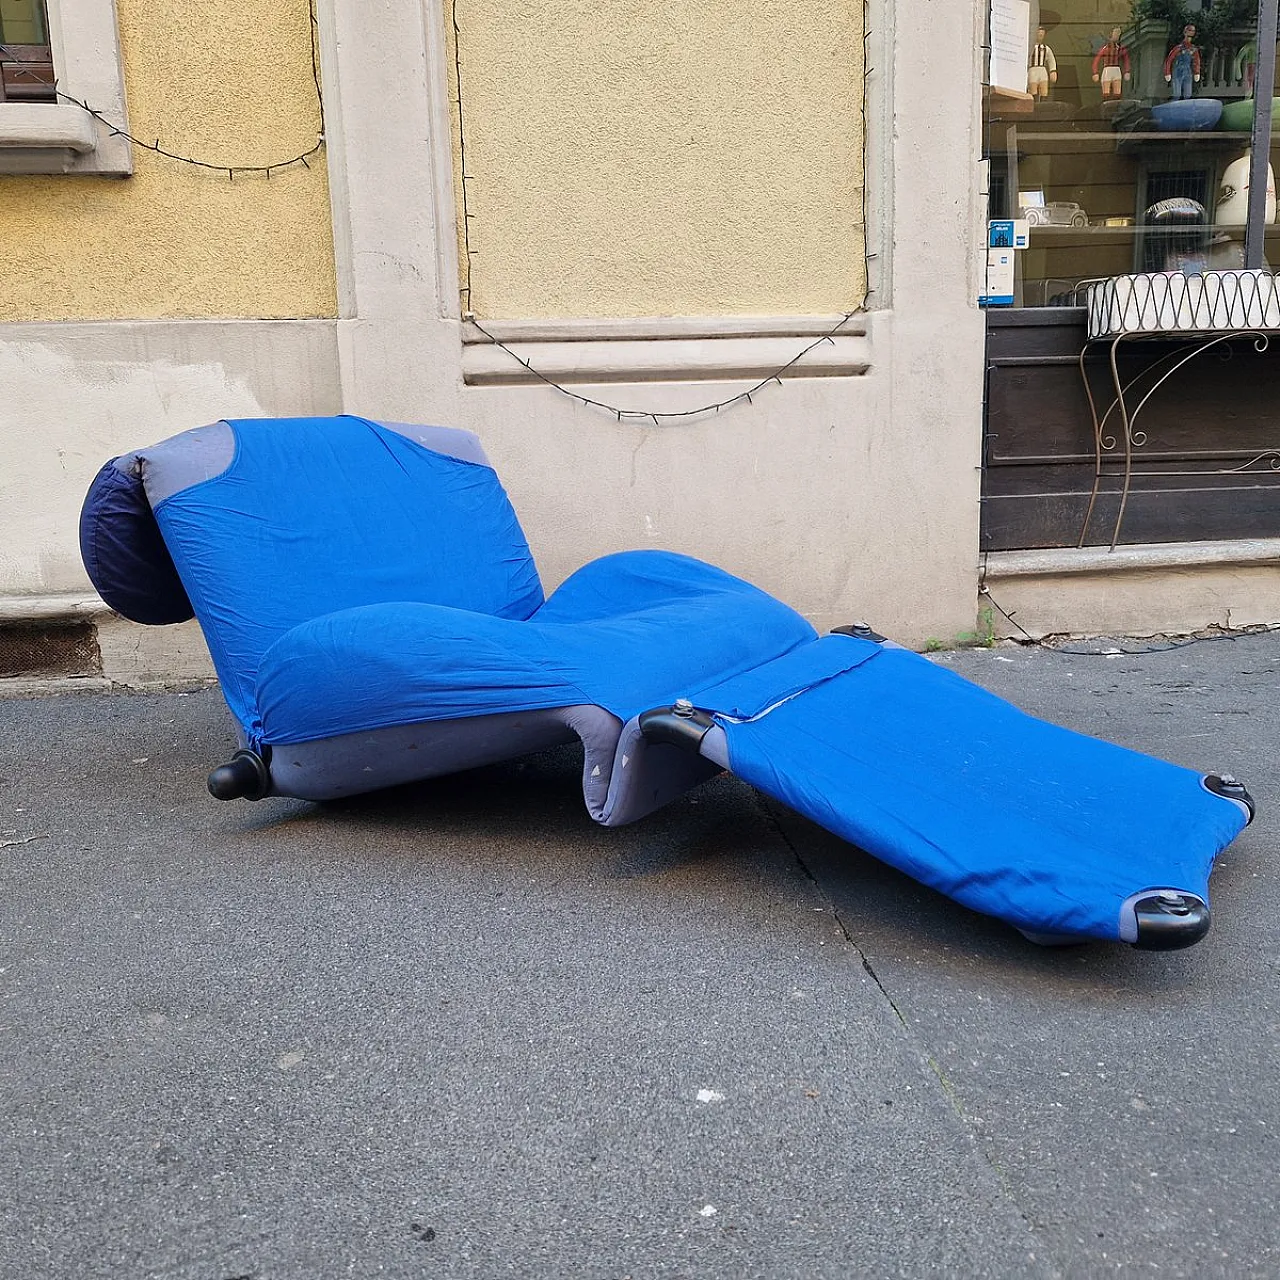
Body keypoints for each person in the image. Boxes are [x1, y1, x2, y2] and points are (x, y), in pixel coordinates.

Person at [1164, 25, 1201, 100]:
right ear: (1185, 32)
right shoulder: (1178, 48)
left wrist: (1197, 72)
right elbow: (1169, 59)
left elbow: (1196, 61)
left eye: (1192, 31)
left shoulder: (1193, 49)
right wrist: (1167, 72)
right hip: (1178, 71)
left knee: (1188, 93)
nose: (1191, 33)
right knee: (1177, 94)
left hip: (1188, 71)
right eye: (1189, 31)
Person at [1092, 27, 1131, 98]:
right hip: (1107, 69)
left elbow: (1126, 60)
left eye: (1118, 35)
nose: (1117, 36)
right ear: (1110, 36)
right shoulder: (1105, 49)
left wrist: (1127, 71)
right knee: (1106, 91)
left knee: (1117, 91)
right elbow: (1096, 60)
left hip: (1116, 69)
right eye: (1115, 34)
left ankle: (1116, 101)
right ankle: (1106, 100)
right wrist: (1095, 72)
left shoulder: (1120, 49)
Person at [1027, 27, 1057, 100]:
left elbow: (1051, 59)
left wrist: (1053, 71)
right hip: (1032, 70)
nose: (1040, 35)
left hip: (1042, 70)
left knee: (1044, 88)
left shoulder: (1046, 48)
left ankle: (1043, 103)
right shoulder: (1029, 48)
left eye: (1042, 33)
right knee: (1033, 88)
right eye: (1039, 33)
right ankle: (1034, 103)